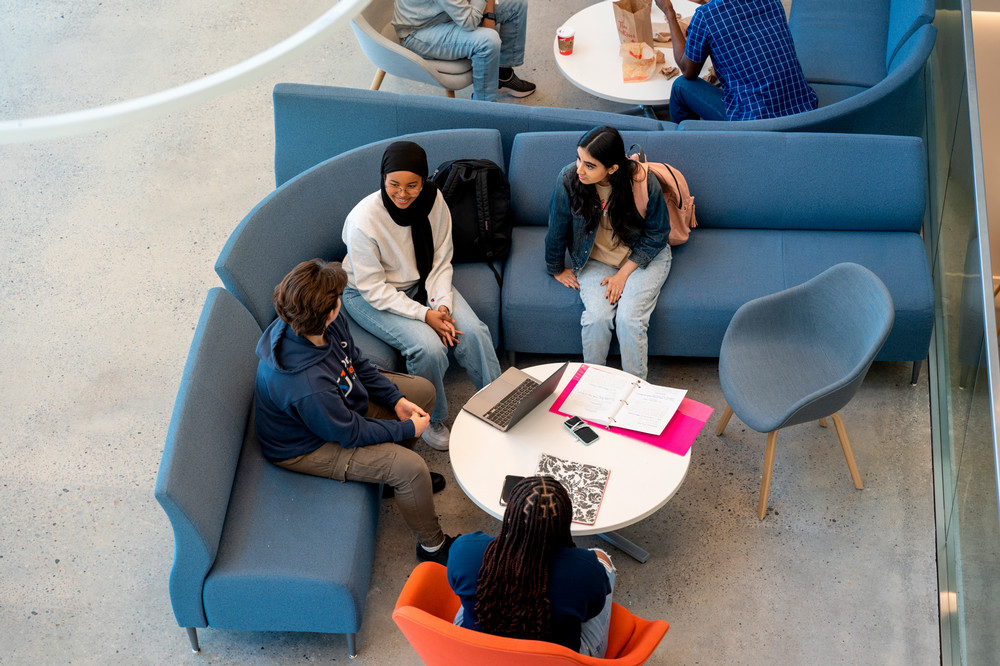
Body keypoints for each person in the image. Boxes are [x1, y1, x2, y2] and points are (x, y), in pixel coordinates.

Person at [254, 259, 457, 564]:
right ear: (329, 310)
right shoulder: (306, 384)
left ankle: (389, 480)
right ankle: (432, 547)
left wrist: (396, 400)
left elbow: (355, 363)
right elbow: (349, 432)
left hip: (335, 406)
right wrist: (405, 430)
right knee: (410, 469)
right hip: (306, 445)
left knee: (421, 393)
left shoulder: (322, 322)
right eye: (338, 298)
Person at [341, 141, 502, 451]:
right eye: (394, 185)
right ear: (382, 179)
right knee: (428, 348)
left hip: (422, 282)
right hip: (368, 294)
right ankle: (433, 417)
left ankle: (496, 401)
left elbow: (441, 259)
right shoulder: (364, 221)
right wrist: (426, 316)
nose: (402, 193)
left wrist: (442, 304)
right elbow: (374, 289)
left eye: (412, 185)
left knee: (474, 332)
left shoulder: (434, 200)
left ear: (424, 180)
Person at [545, 126, 671, 380]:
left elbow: (658, 233)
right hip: (595, 259)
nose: (579, 169)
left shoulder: (642, 181)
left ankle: (637, 392)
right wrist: (556, 267)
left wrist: (623, 275)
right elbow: (557, 226)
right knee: (596, 319)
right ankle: (595, 386)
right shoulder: (569, 178)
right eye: (579, 158)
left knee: (629, 321)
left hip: (642, 258)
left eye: (589, 165)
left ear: (612, 168)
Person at [447, 476, 616, 657]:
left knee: (473, 584)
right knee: (602, 558)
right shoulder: (587, 571)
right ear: (565, 520)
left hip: (478, 649)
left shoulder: (464, 548)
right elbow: (591, 612)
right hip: (555, 660)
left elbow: (456, 585)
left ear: (510, 513)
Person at [655, 0, 818, 123]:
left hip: (755, 123)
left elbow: (687, 70)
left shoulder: (707, 15)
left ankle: (685, 147)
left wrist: (669, 13)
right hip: (803, 113)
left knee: (680, 86)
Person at [392, 0, 535, 102]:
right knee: (487, 41)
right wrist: (486, 16)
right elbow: (469, 21)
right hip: (418, 32)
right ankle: (483, 107)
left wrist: (488, 15)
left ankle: (503, 74)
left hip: (444, 14)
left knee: (517, 4)